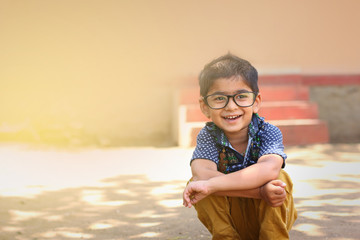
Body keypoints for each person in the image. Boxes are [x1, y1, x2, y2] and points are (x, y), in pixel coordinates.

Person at [182, 53, 297, 240]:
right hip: (231, 218)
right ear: (204, 106)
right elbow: (202, 173)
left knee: (278, 178)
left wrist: (213, 185)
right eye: (219, 98)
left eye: (241, 96)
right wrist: (259, 192)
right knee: (197, 184)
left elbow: (268, 169)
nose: (231, 107)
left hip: (267, 215)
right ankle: (226, 237)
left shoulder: (268, 132)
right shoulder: (208, 135)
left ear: (256, 101)